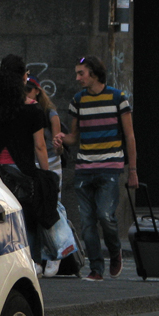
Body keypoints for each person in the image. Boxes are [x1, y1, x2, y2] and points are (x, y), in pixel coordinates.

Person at [55, 55, 138, 281]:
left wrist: (132, 171)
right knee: (87, 222)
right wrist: (62, 139)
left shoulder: (118, 98)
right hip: (84, 168)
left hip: (110, 167)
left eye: (81, 73)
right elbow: (74, 137)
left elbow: (130, 136)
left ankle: (114, 251)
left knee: (105, 215)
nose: (77, 78)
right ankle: (96, 269)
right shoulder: (78, 100)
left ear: (94, 73)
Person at [0, 55, 53, 269]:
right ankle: (32, 262)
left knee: (0, 220)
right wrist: (45, 175)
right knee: (28, 217)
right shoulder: (33, 109)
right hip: (24, 171)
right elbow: (40, 146)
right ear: (22, 78)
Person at [26, 77, 78, 277]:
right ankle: (40, 256)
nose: (26, 95)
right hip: (34, 164)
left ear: (37, 91)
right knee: (36, 211)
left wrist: (59, 145)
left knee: (52, 207)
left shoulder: (51, 114)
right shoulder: (28, 110)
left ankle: (56, 254)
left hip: (51, 164)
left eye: (29, 91)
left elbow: (58, 145)